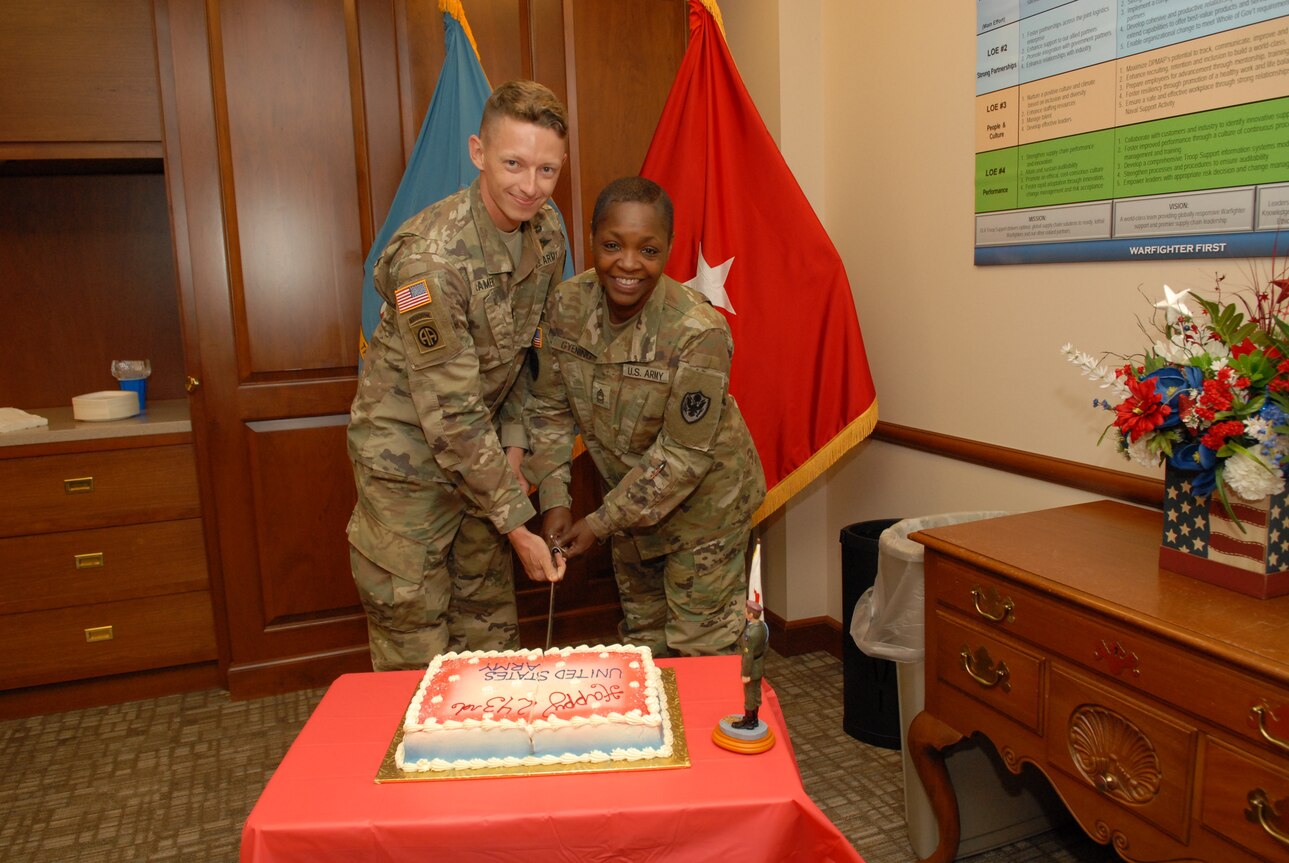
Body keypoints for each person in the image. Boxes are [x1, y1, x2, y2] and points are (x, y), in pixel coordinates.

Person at [347, 80, 569, 671]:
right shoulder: (430, 263)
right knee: (415, 655)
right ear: (478, 152)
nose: (530, 186)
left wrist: (514, 450)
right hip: (409, 468)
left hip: (483, 463)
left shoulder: (547, 232)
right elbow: (450, 413)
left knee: (489, 643)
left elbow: (526, 353)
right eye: (514, 163)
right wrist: (518, 525)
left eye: (547, 170)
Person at [524, 176, 766, 656]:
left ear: (669, 248)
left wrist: (597, 524)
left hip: (705, 514)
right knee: (644, 646)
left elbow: (682, 458)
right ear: (592, 238)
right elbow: (549, 409)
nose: (629, 264)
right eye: (613, 245)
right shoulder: (565, 306)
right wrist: (555, 501)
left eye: (648, 250)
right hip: (631, 511)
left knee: (700, 652)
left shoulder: (698, 330)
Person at [734, 599, 769, 729]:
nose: (745, 612)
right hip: (759, 664)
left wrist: (746, 674)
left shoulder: (749, 634)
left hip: (752, 668)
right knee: (756, 692)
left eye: (746, 611)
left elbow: (748, 656)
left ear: (751, 615)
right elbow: (766, 646)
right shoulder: (763, 627)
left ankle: (749, 720)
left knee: (749, 694)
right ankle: (754, 718)